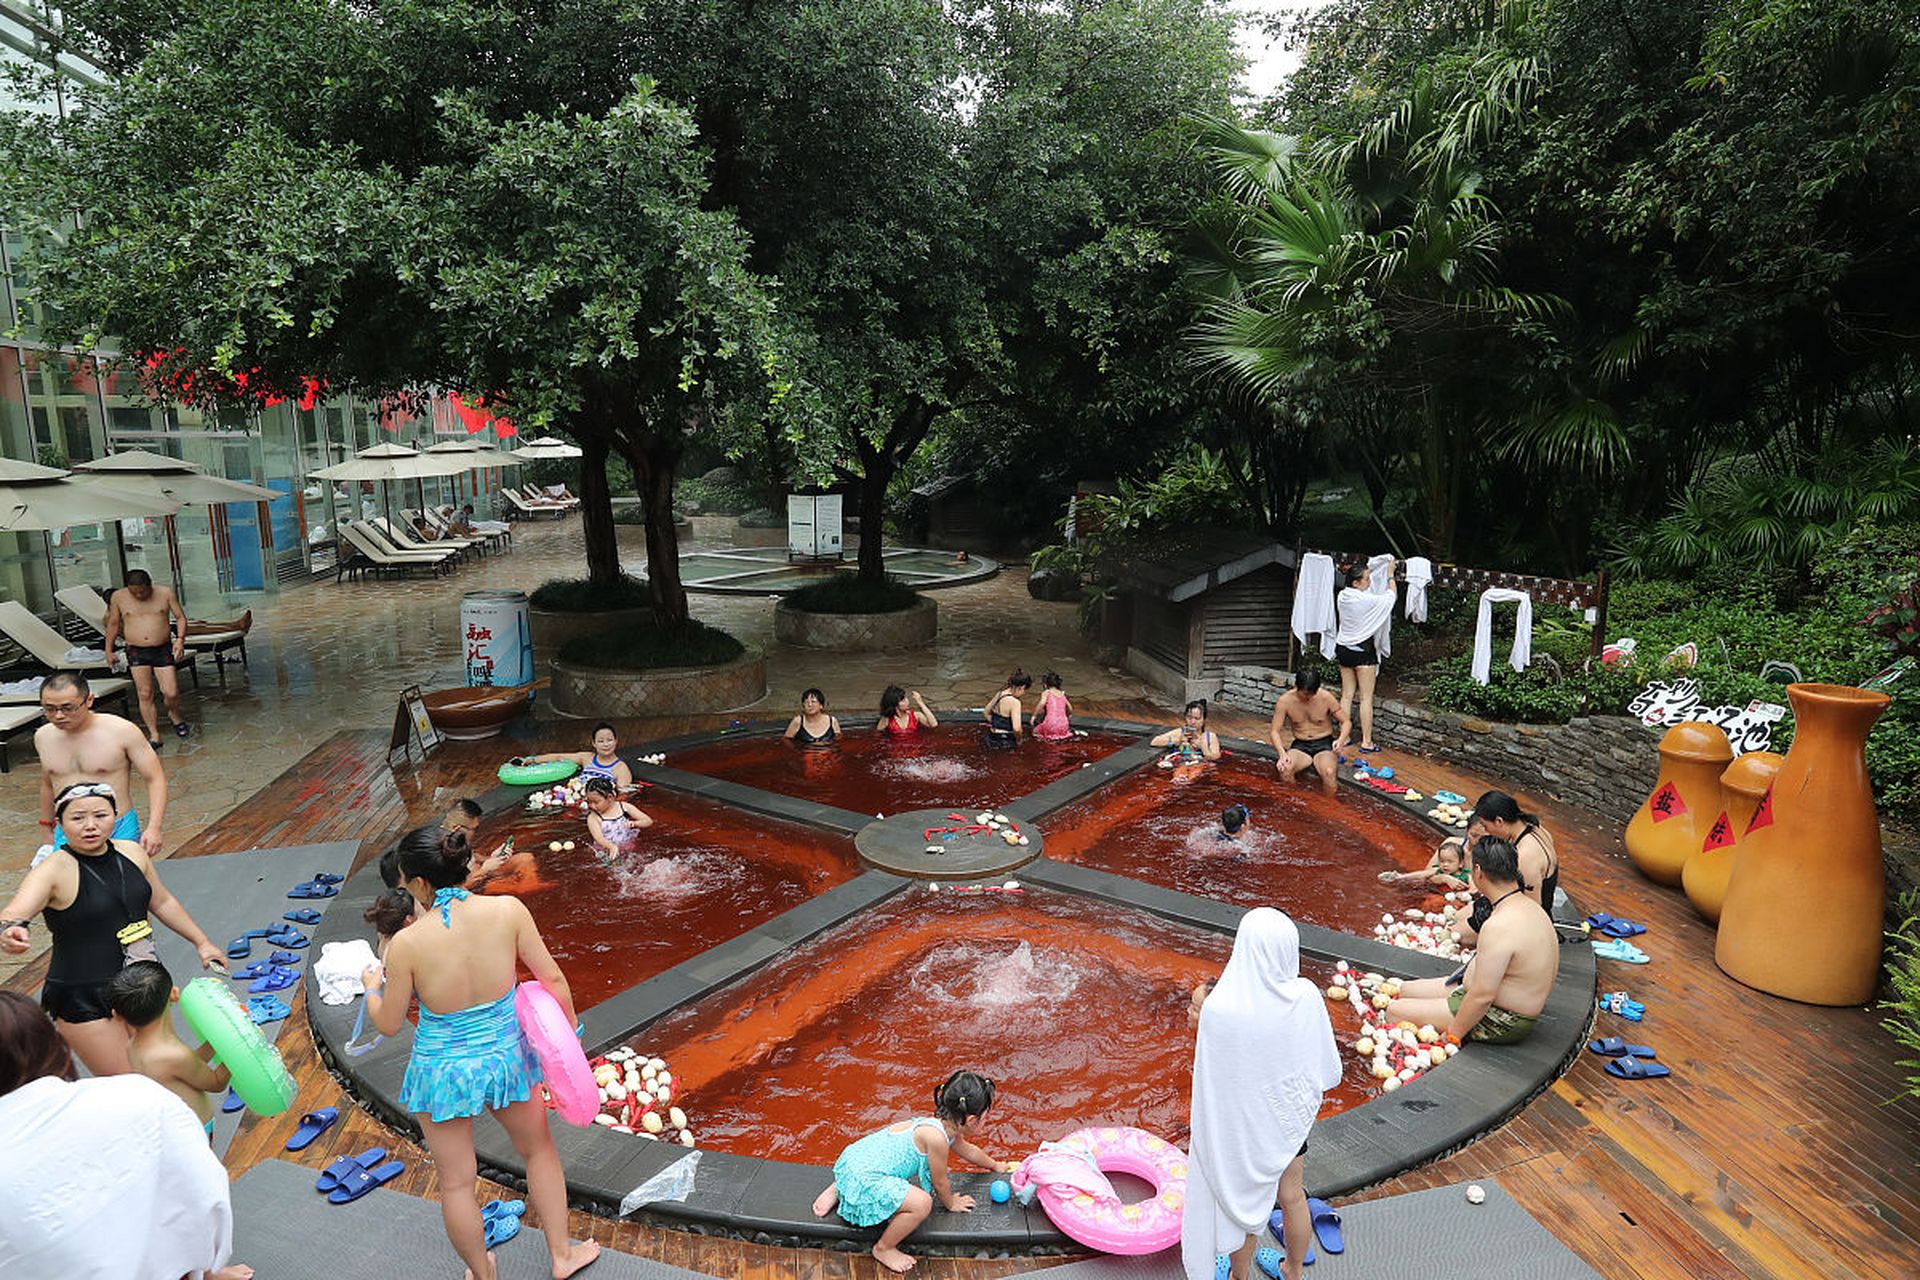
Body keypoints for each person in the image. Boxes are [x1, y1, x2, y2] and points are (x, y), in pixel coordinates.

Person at [361, 825, 600, 1280]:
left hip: (442, 1069)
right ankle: (561, 1256)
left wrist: (372, 989)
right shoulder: (508, 910)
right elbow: (552, 980)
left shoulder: (408, 943)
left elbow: (389, 1024)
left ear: (418, 883)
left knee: (456, 1182)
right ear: (463, 865)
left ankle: (483, 1273)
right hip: (505, 1058)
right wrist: (567, 1041)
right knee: (539, 1151)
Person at [0, 992, 252, 1280]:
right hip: (185, 1134)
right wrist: (236, 1050)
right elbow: (205, 1197)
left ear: (119, 1016)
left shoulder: (136, 1052)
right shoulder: (140, 1090)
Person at [1, 781, 225, 1076]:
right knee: (131, 1086)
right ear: (60, 823)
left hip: (141, 983)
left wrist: (202, 942)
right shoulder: (54, 868)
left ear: (116, 817)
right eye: (77, 818)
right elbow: (17, 910)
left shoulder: (132, 853)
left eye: (100, 815)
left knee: (162, 1072)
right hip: (85, 997)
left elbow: (163, 901)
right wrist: (12, 928)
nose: (90, 826)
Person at [1182, 910, 1339, 1280]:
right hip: (1289, 1120)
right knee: (1292, 1195)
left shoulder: (1223, 1009)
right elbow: (1324, 1066)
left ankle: (1239, 1277)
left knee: (1246, 1207)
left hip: (1246, 1127)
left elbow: (1216, 1081)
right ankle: (1293, 1270)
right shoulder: (1305, 994)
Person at [811, 1070, 1015, 1273]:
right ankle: (884, 1248)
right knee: (922, 1204)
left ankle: (840, 1186)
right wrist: (951, 1202)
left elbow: (969, 1150)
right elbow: (940, 1183)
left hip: (855, 1161)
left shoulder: (939, 1126)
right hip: (866, 1178)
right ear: (971, 1120)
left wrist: (994, 1165)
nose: (986, 1122)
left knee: (874, 1170)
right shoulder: (936, 1139)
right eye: (985, 1117)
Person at [1384, 838, 1557, 1045]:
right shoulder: (1530, 907)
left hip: (1502, 1017)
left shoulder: (1499, 925)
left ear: (1478, 871)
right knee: (1405, 990)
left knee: (1394, 1011)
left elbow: (1483, 995)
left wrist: (1453, 1034)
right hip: (1484, 997)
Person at [34, 671, 171, 857]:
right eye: (49, 709)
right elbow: (48, 783)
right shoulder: (43, 736)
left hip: (117, 826)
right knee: (70, 884)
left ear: (89, 700)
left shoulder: (121, 731)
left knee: (125, 882)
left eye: (68, 708)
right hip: (69, 830)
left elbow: (155, 778)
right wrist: (46, 828)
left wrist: (154, 827)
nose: (58, 715)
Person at [107, 959, 230, 1137]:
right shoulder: (174, 1055)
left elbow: (190, 1067)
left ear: (117, 1015)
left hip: (172, 1131)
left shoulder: (133, 1046)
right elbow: (216, 1082)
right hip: (195, 1133)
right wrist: (235, 1044)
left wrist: (214, 1041)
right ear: (174, 994)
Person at [103, 568, 192, 747]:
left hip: (162, 648)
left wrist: (180, 640)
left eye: (143, 591)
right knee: (145, 693)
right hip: (136, 649)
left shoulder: (165, 593)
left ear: (149, 585)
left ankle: (174, 714)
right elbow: (113, 624)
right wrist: (109, 650)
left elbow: (180, 618)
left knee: (171, 692)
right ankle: (154, 734)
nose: (139, 595)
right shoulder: (119, 597)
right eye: (134, 592)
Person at [1330, 559, 1398, 755]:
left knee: (1346, 695)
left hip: (1343, 649)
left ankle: (1345, 736)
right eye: (1366, 579)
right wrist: (1390, 575)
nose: (1369, 582)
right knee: (1366, 698)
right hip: (1362, 652)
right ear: (1356, 583)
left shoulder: (1343, 596)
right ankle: (1367, 742)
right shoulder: (1366, 600)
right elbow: (1390, 597)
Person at [1470, 790, 1560, 916]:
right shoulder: (1535, 828)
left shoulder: (1526, 856)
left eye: (1486, 826)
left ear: (1499, 821)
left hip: (1534, 918)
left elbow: (1533, 908)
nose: (1487, 832)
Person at [1269, 669, 1348, 797]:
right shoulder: (1285, 701)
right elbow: (1274, 731)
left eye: (1312, 694)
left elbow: (1346, 722)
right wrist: (1282, 754)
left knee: (1328, 772)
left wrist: (1340, 740)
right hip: (1301, 745)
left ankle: (1328, 806)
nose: (1308, 698)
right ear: (1297, 687)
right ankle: (1294, 800)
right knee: (1285, 769)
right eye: (1305, 694)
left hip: (1324, 744)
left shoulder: (1326, 697)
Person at [520, 721, 632, 788]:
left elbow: (622, 796)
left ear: (616, 741)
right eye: (601, 741)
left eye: (609, 740)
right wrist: (533, 760)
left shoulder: (621, 768)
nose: (606, 744)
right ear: (594, 743)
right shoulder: (587, 758)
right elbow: (559, 757)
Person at [584, 775, 653, 863]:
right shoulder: (593, 817)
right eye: (589, 802)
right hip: (606, 850)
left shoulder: (624, 807)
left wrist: (636, 823)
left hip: (628, 844)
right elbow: (599, 838)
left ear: (610, 797)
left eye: (596, 802)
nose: (592, 806)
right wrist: (611, 846)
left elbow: (648, 821)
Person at [1378, 836, 1472, 890]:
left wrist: (1463, 895)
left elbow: (1472, 889)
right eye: (1442, 861)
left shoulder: (1465, 875)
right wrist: (1401, 877)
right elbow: (1421, 874)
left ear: (1460, 864)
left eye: (1450, 862)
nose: (1445, 864)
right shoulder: (1438, 870)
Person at [1152, 699, 1222, 762]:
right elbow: (1154, 742)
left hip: (1200, 765)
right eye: (1189, 717)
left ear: (1204, 720)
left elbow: (1215, 757)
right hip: (1180, 764)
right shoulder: (1180, 732)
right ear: (1185, 717)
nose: (1192, 721)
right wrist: (1177, 740)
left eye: (1197, 718)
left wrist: (1202, 746)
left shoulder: (1209, 736)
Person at [982, 671, 1031, 749]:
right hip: (1005, 741)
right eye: (1024, 690)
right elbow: (1017, 728)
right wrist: (1019, 740)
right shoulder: (1015, 702)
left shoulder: (999, 694)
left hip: (991, 737)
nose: (1024, 693)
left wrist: (997, 723)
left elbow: (985, 713)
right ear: (1021, 687)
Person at [1031, 672, 1073, 741]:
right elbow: (1070, 708)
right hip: (1064, 725)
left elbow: (1041, 704)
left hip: (1050, 724)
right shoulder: (1062, 694)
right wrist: (1069, 716)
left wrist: (1033, 716)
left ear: (1045, 685)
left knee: (1035, 732)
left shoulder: (1047, 693)